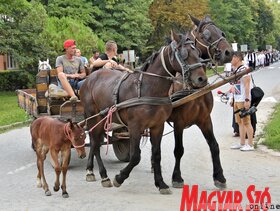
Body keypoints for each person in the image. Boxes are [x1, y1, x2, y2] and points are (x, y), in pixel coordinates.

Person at [229, 51, 254, 151]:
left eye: (232, 58)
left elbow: (247, 85)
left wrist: (247, 100)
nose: (231, 60)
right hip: (237, 99)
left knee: (247, 122)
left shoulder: (244, 69)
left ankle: (250, 145)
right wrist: (232, 98)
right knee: (239, 122)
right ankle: (242, 143)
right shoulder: (236, 70)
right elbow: (235, 86)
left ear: (237, 58)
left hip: (243, 99)